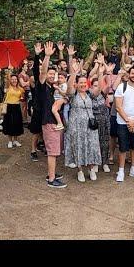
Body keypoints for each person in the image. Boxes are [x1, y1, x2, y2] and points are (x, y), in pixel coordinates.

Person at [65, 57, 102, 182]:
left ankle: (91, 169)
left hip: (90, 126)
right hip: (76, 126)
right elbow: (69, 87)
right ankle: (80, 170)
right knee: (78, 146)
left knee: (91, 146)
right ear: (77, 84)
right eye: (80, 83)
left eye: (84, 83)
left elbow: (99, 89)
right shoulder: (73, 94)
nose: (82, 84)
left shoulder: (90, 94)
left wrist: (101, 73)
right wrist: (74, 72)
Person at [36, 41, 67, 188]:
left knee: (55, 151)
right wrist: (47, 56)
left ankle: (52, 173)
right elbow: (42, 73)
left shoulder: (51, 88)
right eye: (50, 73)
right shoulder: (42, 86)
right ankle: (51, 179)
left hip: (53, 122)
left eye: (54, 74)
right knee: (52, 152)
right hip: (49, 122)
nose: (52, 75)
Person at [113, 64, 134, 182]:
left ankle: (133, 169)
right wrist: (128, 121)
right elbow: (118, 106)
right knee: (122, 148)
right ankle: (121, 170)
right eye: (132, 73)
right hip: (123, 122)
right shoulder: (121, 87)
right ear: (129, 74)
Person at [3, 74, 25, 148]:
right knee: (9, 123)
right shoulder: (8, 88)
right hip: (9, 106)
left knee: (17, 123)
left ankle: (15, 140)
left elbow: (22, 97)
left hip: (17, 106)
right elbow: (7, 80)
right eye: (12, 79)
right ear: (10, 80)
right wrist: (9, 72)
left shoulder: (20, 89)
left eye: (15, 79)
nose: (14, 80)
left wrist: (22, 98)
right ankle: (10, 140)